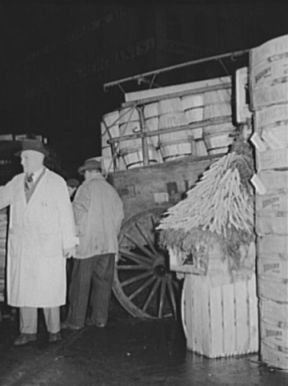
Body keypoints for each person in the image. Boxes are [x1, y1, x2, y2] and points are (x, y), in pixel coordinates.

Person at [0, 139, 77, 346]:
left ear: (37, 159)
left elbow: (66, 214)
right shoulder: (17, 181)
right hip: (23, 246)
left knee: (48, 288)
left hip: (47, 246)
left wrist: (69, 242)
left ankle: (54, 330)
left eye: (25, 158)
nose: (22, 163)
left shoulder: (56, 182)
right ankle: (28, 331)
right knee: (25, 289)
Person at [63, 158, 124, 330]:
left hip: (87, 245)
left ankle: (75, 321)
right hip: (108, 245)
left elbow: (77, 212)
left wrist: (75, 234)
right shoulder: (111, 190)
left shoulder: (86, 187)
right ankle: (100, 319)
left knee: (80, 285)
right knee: (103, 283)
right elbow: (120, 216)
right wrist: (112, 234)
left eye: (84, 173)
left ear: (88, 172)